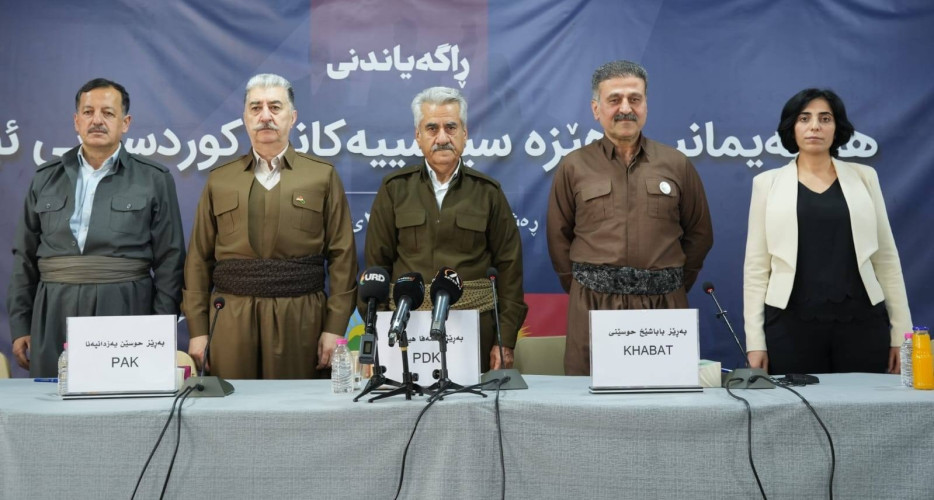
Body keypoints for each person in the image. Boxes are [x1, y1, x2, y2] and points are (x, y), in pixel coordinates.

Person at [183, 74, 357, 379]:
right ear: (245, 118)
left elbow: (343, 257)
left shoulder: (322, 176)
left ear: (293, 117)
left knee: (296, 403)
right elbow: (198, 258)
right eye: (256, 108)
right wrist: (198, 330)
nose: (265, 116)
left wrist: (334, 327)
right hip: (230, 319)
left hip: (302, 317)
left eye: (275, 107)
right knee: (233, 402)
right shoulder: (220, 179)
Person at [8, 78, 186, 377]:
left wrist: (159, 328)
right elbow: (24, 257)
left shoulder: (154, 178)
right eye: (88, 112)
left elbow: (171, 259)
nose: (97, 120)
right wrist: (20, 324)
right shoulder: (45, 178)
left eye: (108, 113)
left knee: (122, 396)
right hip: (53, 310)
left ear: (125, 123)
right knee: (51, 396)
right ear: (76, 121)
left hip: (126, 308)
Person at [547, 60, 714, 376]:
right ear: (596, 109)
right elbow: (558, 237)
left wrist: (671, 283)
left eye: (634, 99)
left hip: (664, 306)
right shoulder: (573, 166)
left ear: (646, 106)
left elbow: (700, 233)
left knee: (666, 395)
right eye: (615, 100)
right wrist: (586, 286)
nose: (626, 108)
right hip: (593, 306)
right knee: (586, 396)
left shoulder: (676, 164)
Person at [744, 88, 912, 375]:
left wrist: (901, 335)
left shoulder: (864, 178)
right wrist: (755, 342)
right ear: (792, 127)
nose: (815, 127)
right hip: (789, 323)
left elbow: (886, 259)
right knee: (797, 404)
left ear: (837, 128)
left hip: (862, 321)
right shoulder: (767, 184)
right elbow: (757, 268)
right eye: (804, 118)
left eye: (825, 118)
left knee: (865, 402)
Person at [365, 86, 528, 372]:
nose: (442, 138)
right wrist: (378, 330)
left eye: (451, 127)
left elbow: (509, 271)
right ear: (418, 136)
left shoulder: (488, 192)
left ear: (465, 134)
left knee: (470, 400)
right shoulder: (394, 189)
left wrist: (505, 340)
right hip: (406, 330)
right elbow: (376, 268)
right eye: (432, 128)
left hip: (474, 329)